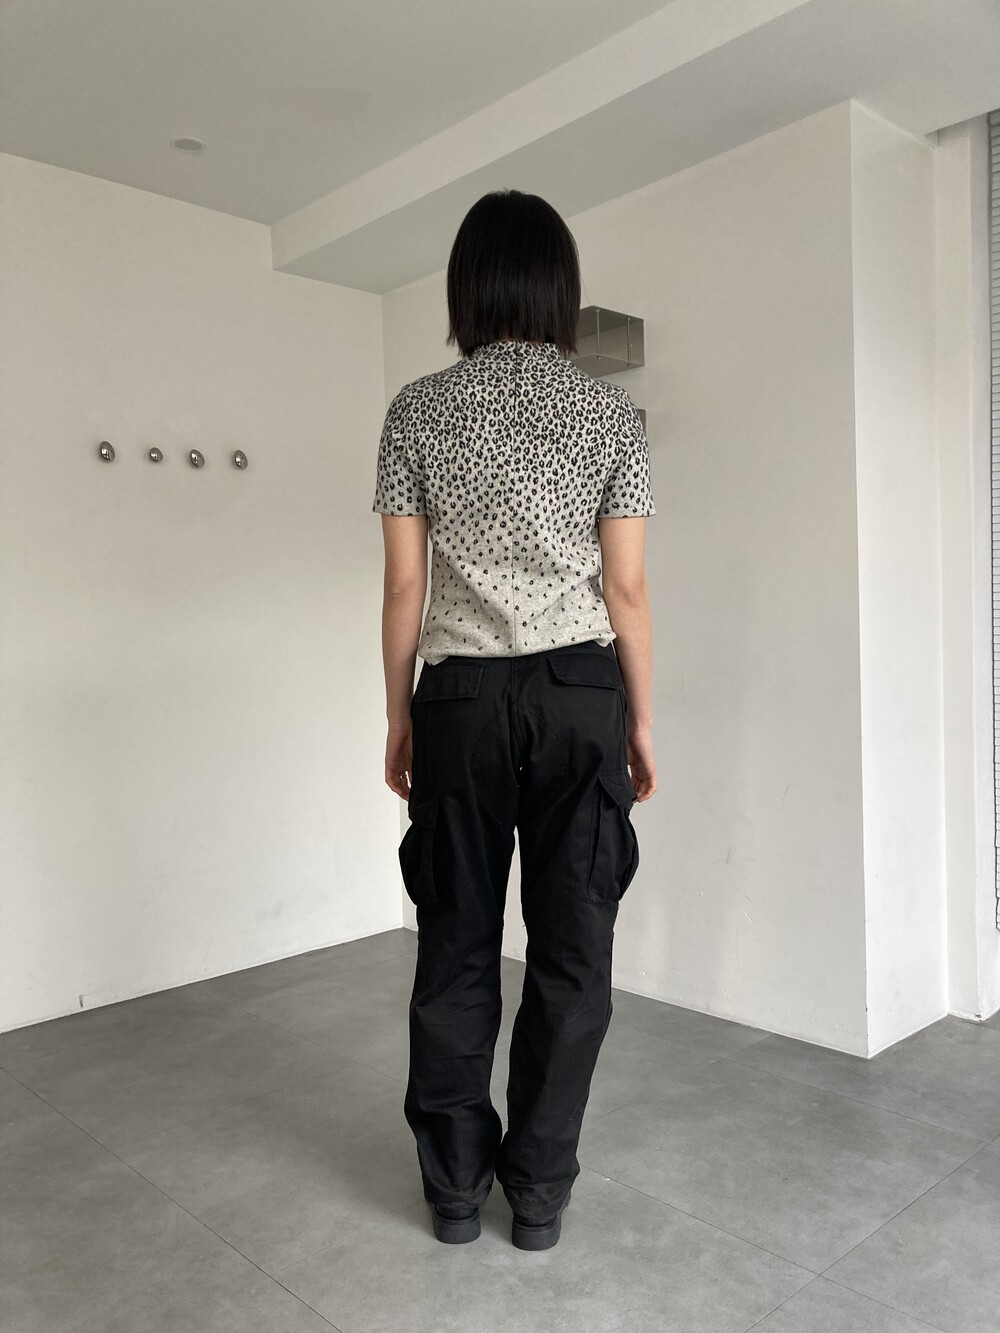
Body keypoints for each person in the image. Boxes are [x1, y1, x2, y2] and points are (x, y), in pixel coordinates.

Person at [372, 188, 656, 1252]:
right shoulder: (610, 417)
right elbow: (626, 590)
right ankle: (536, 1196)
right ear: (558, 289)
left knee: (455, 946)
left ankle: (454, 1193)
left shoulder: (417, 409)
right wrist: (641, 719)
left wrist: (400, 715)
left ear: (467, 287)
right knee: (573, 953)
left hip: (459, 699)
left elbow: (405, 586)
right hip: (581, 696)